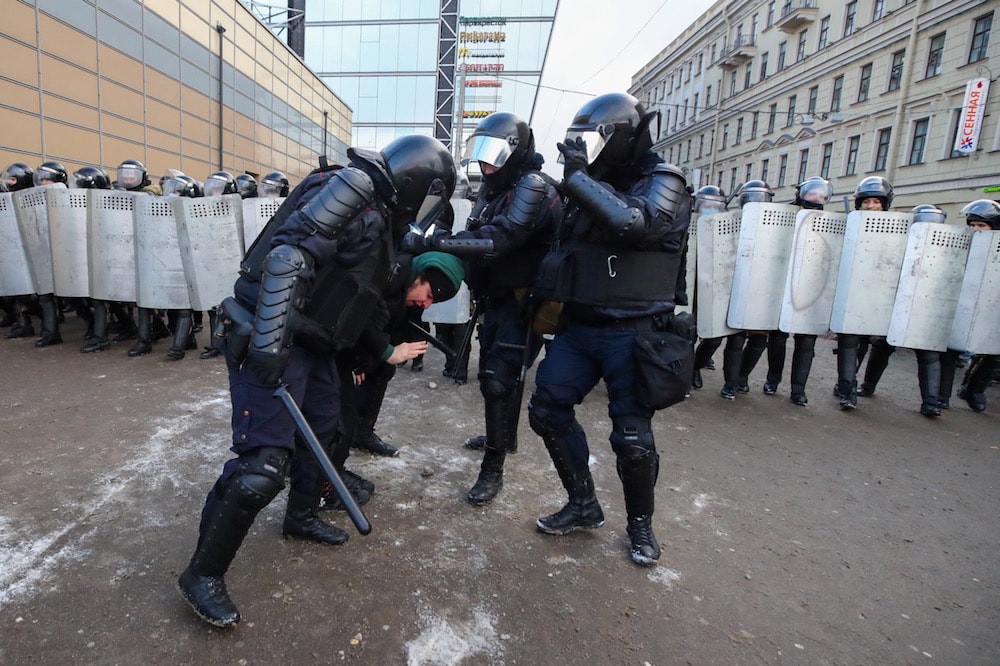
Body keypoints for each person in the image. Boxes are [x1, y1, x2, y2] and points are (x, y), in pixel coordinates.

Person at [177, 134, 457, 627]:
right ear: (417, 182)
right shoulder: (352, 190)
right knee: (262, 467)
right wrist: (267, 347)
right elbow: (288, 259)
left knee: (326, 433)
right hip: (273, 335)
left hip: (313, 343)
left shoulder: (381, 213)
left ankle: (300, 516)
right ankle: (201, 575)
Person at [527, 93, 688, 566]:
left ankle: (641, 526)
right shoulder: (588, 183)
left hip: (636, 331)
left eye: (595, 139)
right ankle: (583, 504)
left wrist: (577, 179)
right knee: (547, 411)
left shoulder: (664, 180)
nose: (587, 150)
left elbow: (633, 223)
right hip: (581, 324)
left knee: (633, 441)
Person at [414, 111, 562, 505]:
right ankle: (504, 438)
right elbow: (479, 230)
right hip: (498, 299)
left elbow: (500, 238)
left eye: (494, 154)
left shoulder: (532, 187)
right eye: (481, 152)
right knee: (499, 379)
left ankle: (493, 468)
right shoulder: (497, 187)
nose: (486, 162)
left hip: (524, 302)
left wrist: (439, 243)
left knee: (499, 381)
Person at [323, 251, 464, 509]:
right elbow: (358, 318)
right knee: (338, 414)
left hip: (344, 348)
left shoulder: (404, 292)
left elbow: (388, 329)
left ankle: (339, 462)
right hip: (324, 345)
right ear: (419, 278)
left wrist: (366, 361)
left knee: (369, 387)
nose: (427, 305)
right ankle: (322, 483)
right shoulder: (385, 276)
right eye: (429, 295)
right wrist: (386, 352)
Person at [754, 176, 832, 406]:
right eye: (812, 193)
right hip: (782, 284)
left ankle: (799, 389)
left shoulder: (829, 220)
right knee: (778, 339)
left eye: (821, 195)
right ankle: (773, 379)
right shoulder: (784, 215)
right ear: (802, 193)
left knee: (806, 342)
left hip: (811, 288)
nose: (816, 198)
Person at [836, 176, 894, 409]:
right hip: (853, 291)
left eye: (876, 202)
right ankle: (847, 389)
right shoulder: (849, 224)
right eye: (866, 202)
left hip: (883, 294)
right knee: (850, 341)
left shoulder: (897, 226)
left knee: (883, 345)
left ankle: (868, 385)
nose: (871, 207)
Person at [951, 200, 1000, 413]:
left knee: (993, 353)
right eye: (973, 225)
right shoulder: (959, 244)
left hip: (991, 303)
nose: (976, 230)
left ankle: (974, 389)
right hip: (960, 304)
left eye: (982, 226)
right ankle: (941, 395)